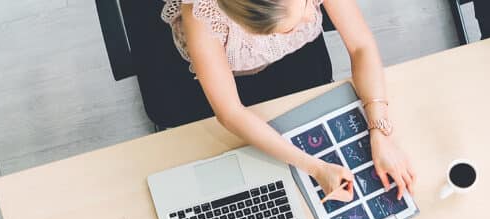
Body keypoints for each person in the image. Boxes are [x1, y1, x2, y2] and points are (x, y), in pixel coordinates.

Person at [162, 0, 415, 202]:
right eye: (290, 26)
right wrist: (315, 168)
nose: (311, 16)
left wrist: (379, 129)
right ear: (250, 29)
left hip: (299, 57)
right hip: (227, 76)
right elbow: (229, 112)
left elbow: (361, 46)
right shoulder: (201, 14)